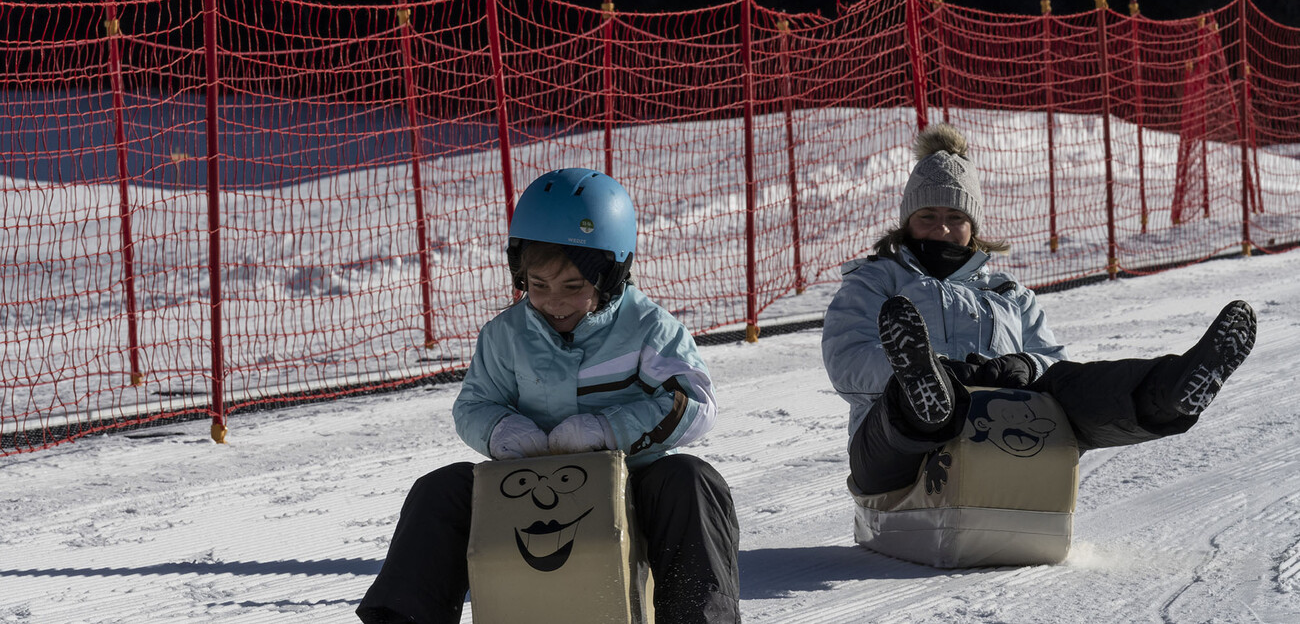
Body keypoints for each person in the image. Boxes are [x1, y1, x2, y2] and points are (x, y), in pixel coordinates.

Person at [356, 168, 741, 624]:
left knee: (691, 479)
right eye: (538, 286)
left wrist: (607, 430)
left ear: (612, 275)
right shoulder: (506, 335)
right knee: (441, 490)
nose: (554, 301)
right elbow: (475, 403)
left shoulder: (648, 328)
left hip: (632, 485)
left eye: (573, 287)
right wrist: (501, 430)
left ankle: (699, 618)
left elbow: (694, 400)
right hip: (527, 486)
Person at [821, 123, 1258, 497]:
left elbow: (1053, 359)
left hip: (998, 443)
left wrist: (1025, 366)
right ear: (907, 220)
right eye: (928, 215)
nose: (942, 228)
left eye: (955, 216)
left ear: (973, 225)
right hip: (893, 456)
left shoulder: (1010, 294)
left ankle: (1171, 390)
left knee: (1067, 386)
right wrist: (932, 372)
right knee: (910, 399)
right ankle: (926, 392)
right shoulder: (877, 279)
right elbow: (847, 360)